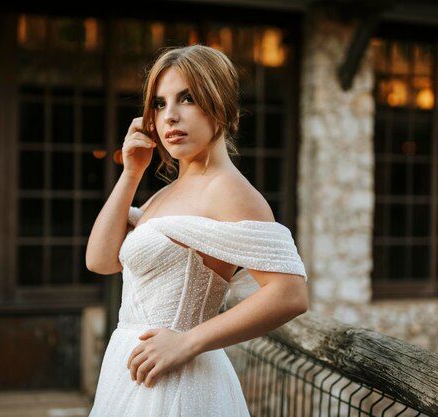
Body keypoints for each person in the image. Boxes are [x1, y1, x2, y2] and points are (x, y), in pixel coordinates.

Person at [85, 44, 308, 417]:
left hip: (180, 381)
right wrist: (131, 173)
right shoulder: (165, 194)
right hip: (129, 373)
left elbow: (290, 294)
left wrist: (187, 343)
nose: (169, 116)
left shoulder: (229, 191)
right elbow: (100, 260)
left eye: (186, 99)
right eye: (159, 104)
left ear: (219, 103)